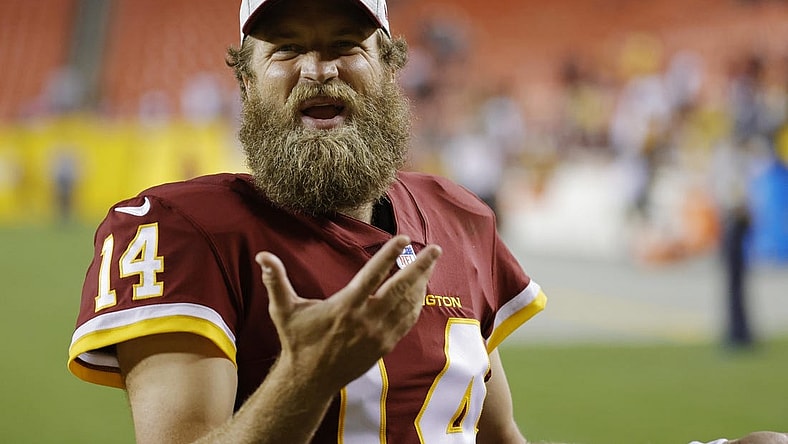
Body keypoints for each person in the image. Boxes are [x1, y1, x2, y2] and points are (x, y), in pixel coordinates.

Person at [66, 1, 786, 443]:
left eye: (346, 42)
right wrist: (306, 379)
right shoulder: (175, 229)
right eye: (285, 48)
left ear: (391, 67)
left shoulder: (457, 219)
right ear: (245, 81)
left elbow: (500, 437)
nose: (317, 68)